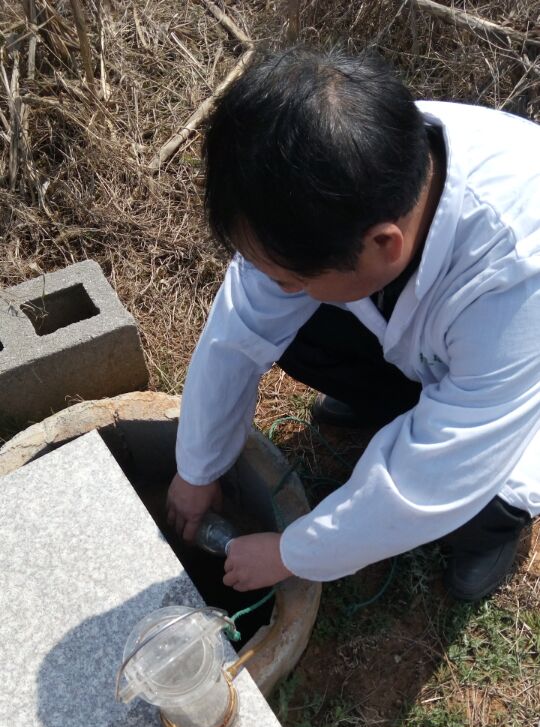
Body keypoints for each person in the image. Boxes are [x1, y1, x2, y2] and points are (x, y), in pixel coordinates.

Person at [166, 46, 540, 602]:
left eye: (289, 276)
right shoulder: (341, 169)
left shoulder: (515, 278)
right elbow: (238, 333)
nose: (274, 285)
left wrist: (293, 552)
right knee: (298, 329)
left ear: (384, 245)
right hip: (445, 348)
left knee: (479, 495)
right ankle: (394, 401)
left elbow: (435, 476)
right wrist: (197, 469)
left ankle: (494, 529)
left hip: (518, 398)